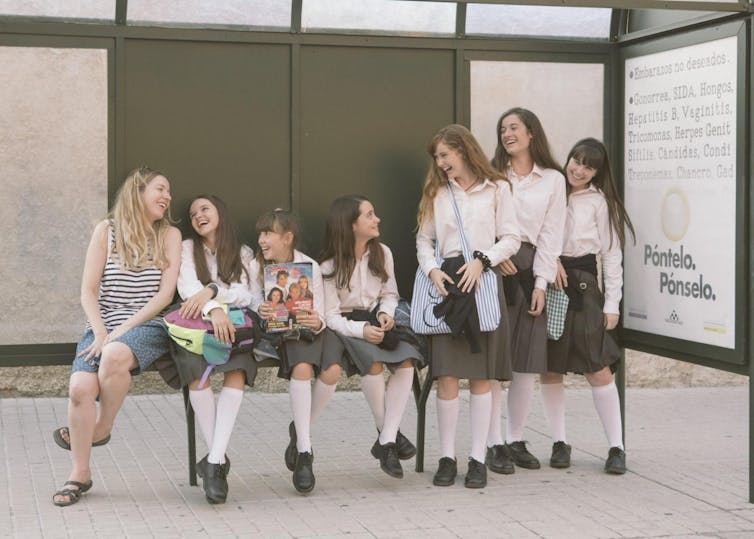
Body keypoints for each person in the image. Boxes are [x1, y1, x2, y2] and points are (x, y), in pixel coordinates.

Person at [52, 166, 181, 506]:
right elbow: (88, 291)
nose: (167, 197)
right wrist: (100, 330)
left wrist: (120, 332)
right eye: (160, 189)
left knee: (113, 355)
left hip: (148, 324)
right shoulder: (106, 231)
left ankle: (103, 427)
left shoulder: (169, 235)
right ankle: (80, 473)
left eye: (168, 191)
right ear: (137, 192)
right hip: (103, 324)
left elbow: (164, 296)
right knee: (80, 388)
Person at [416, 124, 520, 488]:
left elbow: (511, 237)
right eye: (437, 157)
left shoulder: (498, 188)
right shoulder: (436, 192)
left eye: (445, 154)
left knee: (482, 377)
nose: (440, 162)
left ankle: (478, 458)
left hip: (482, 285)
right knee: (446, 376)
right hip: (447, 287)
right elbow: (424, 240)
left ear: (463, 150)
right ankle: (447, 457)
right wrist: (431, 271)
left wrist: (483, 260)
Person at [542, 138, 634, 473]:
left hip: (584, 287)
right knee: (551, 368)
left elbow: (611, 254)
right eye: (575, 160)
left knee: (598, 367)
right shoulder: (551, 189)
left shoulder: (599, 202)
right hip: (549, 281)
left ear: (597, 172)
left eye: (588, 166)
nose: (578, 169)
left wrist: (613, 303)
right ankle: (559, 442)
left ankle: (616, 447)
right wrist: (548, 262)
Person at [320, 195, 422, 479]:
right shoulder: (328, 266)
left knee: (407, 362)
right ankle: (388, 436)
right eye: (369, 215)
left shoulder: (383, 253)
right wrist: (361, 330)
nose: (377, 220)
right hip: (345, 327)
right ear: (351, 225)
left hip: (376, 320)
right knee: (373, 365)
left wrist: (386, 314)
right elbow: (330, 317)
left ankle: (387, 439)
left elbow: (390, 294)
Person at [488, 107, 567, 473]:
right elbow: (479, 219)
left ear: (531, 132)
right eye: (503, 129)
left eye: (514, 127)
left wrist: (541, 282)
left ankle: (515, 438)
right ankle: (492, 443)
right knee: (492, 360)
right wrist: (492, 254)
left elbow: (552, 235)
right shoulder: (491, 175)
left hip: (530, 268)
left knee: (525, 363)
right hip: (492, 267)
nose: (507, 134)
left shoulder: (553, 179)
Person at [249, 209, 341, 494]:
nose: (262, 240)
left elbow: (323, 312)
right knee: (302, 369)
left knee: (333, 370)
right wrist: (260, 309)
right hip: (277, 335)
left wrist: (317, 321)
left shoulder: (308, 266)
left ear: (287, 238)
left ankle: (299, 428)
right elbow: (251, 301)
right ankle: (305, 451)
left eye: (268, 234)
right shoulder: (255, 267)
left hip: (308, 330)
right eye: (260, 234)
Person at [174, 194, 255, 504]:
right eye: (193, 213)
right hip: (196, 328)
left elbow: (246, 294)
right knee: (198, 375)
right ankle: (217, 462)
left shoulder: (242, 252)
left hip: (235, 328)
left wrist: (214, 290)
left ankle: (213, 461)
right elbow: (187, 289)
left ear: (220, 211)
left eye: (204, 208)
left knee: (236, 371)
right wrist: (214, 308)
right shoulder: (186, 248)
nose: (198, 216)